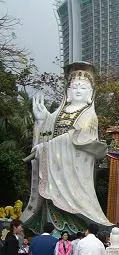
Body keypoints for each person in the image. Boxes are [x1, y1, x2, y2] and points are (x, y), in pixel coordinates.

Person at [21, 62, 112, 233]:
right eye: (75, 87)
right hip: (53, 170)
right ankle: (51, 231)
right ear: (68, 92)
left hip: (74, 173)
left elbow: (79, 138)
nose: (78, 90)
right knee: (50, 197)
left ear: (90, 94)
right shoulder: (58, 114)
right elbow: (48, 132)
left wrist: (46, 148)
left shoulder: (89, 115)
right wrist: (41, 120)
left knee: (72, 202)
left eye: (83, 88)